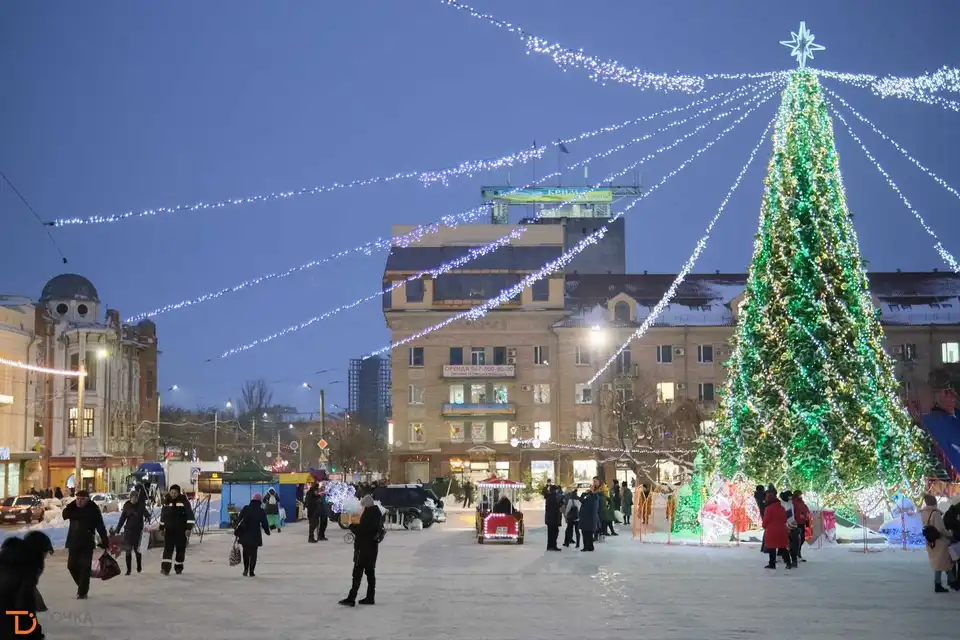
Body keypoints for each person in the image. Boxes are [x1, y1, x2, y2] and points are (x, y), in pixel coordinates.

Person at [0, 531, 54, 639]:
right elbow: (23, 609)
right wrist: (35, 634)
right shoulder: (26, 570)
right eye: (44, 554)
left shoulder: (8, 560)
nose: (44, 559)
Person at [62, 490, 109, 599]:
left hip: (87, 543)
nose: (79, 501)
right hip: (73, 541)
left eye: (82, 499)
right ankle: (82, 585)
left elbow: (100, 526)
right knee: (71, 566)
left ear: (87, 499)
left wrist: (104, 539)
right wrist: (70, 506)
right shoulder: (73, 507)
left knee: (85, 567)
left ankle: (82, 592)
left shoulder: (93, 509)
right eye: (78, 499)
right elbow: (65, 514)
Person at [340, 495, 384, 606]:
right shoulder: (376, 514)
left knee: (357, 574)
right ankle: (370, 597)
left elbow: (362, 531)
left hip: (364, 549)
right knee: (370, 573)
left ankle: (351, 598)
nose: (362, 508)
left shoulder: (369, 514)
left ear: (366, 505)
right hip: (371, 549)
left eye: (363, 505)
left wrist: (351, 526)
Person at [920, 494, 954, 592]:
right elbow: (941, 528)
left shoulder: (924, 513)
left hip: (930, 541)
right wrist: (950, 534)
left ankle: (952, 581)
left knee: (941, 562)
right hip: (940, 541)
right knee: (941, 563)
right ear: (935, 502)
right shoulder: (935, 513)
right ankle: (939, 584)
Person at [159, 484, 195, 575]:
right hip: (169, 530)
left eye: (175, 493)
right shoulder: (167, 502)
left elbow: (190, 515)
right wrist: (161, 528)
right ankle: (165, 569)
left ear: (178, 493)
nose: (173, 494)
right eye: (172, 492)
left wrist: (188, 528)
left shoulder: (184, 501)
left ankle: (178, 568)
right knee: (167, 550)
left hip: (181, 531)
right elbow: (163, 516)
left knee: (180, 549)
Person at [235, 493, 271, 576]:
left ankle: (245, 569)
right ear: (260, 501)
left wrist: (236, 527)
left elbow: (238, 519)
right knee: (254, 553)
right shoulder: (261, 511)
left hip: (245, 534)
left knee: (245, 552)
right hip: (255, 535)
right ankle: (251, 571)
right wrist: (267, 532)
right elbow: (265, 523)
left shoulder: (246, 508)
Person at [114, 489, 148, 575]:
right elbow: (122, 519)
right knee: (128, 550)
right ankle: (128, 570)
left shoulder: (141, 506)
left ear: (137, 498)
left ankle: (139, 566)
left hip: (138, 531)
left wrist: (148, 516)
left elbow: (145, 513)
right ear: (130, 498)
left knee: (137, 551)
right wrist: (117, 529)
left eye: (135, 498)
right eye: (132, 498)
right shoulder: (127, 506)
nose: (134, 499)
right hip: (128, 531)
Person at [761, 493, 792, 570]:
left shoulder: (768, 509)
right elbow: (785, 519)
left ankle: (772, 564)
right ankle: (788, 562)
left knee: (772, 548)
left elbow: (766, 520)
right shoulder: (782, 508)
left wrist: (764, 526)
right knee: (783, 547)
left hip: (772, 530)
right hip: (782, 530)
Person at [579, 482, 599, 552]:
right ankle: (589, 546)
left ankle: (587, 546)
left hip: (587, 518)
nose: (590, 489)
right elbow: (582, 501)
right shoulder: (593, 497)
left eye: (591, 488)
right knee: (588, 533)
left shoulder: (593, 497)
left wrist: (585, 495)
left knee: (586, 533)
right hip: (589, 518)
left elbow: (583, 501)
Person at [791, 490, 811, 563]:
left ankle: (798, 553)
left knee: (801, 539)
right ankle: (796, 554)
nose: (801, 496)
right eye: (800, 494)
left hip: (802, 522)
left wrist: (806, 516)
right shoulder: (794, 502)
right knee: (797, 540)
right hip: (796, 523)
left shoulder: (801, 502)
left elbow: (806, 509)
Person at [544, 485, 562, 551]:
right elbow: (556, 507)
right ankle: (554, 546)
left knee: (550, 533)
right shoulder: (554, 497)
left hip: (549, 518)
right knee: (555, 532)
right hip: (554, 518)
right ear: (554, 490)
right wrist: (560, 503)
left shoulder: (548, 497)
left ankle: (549, 546)